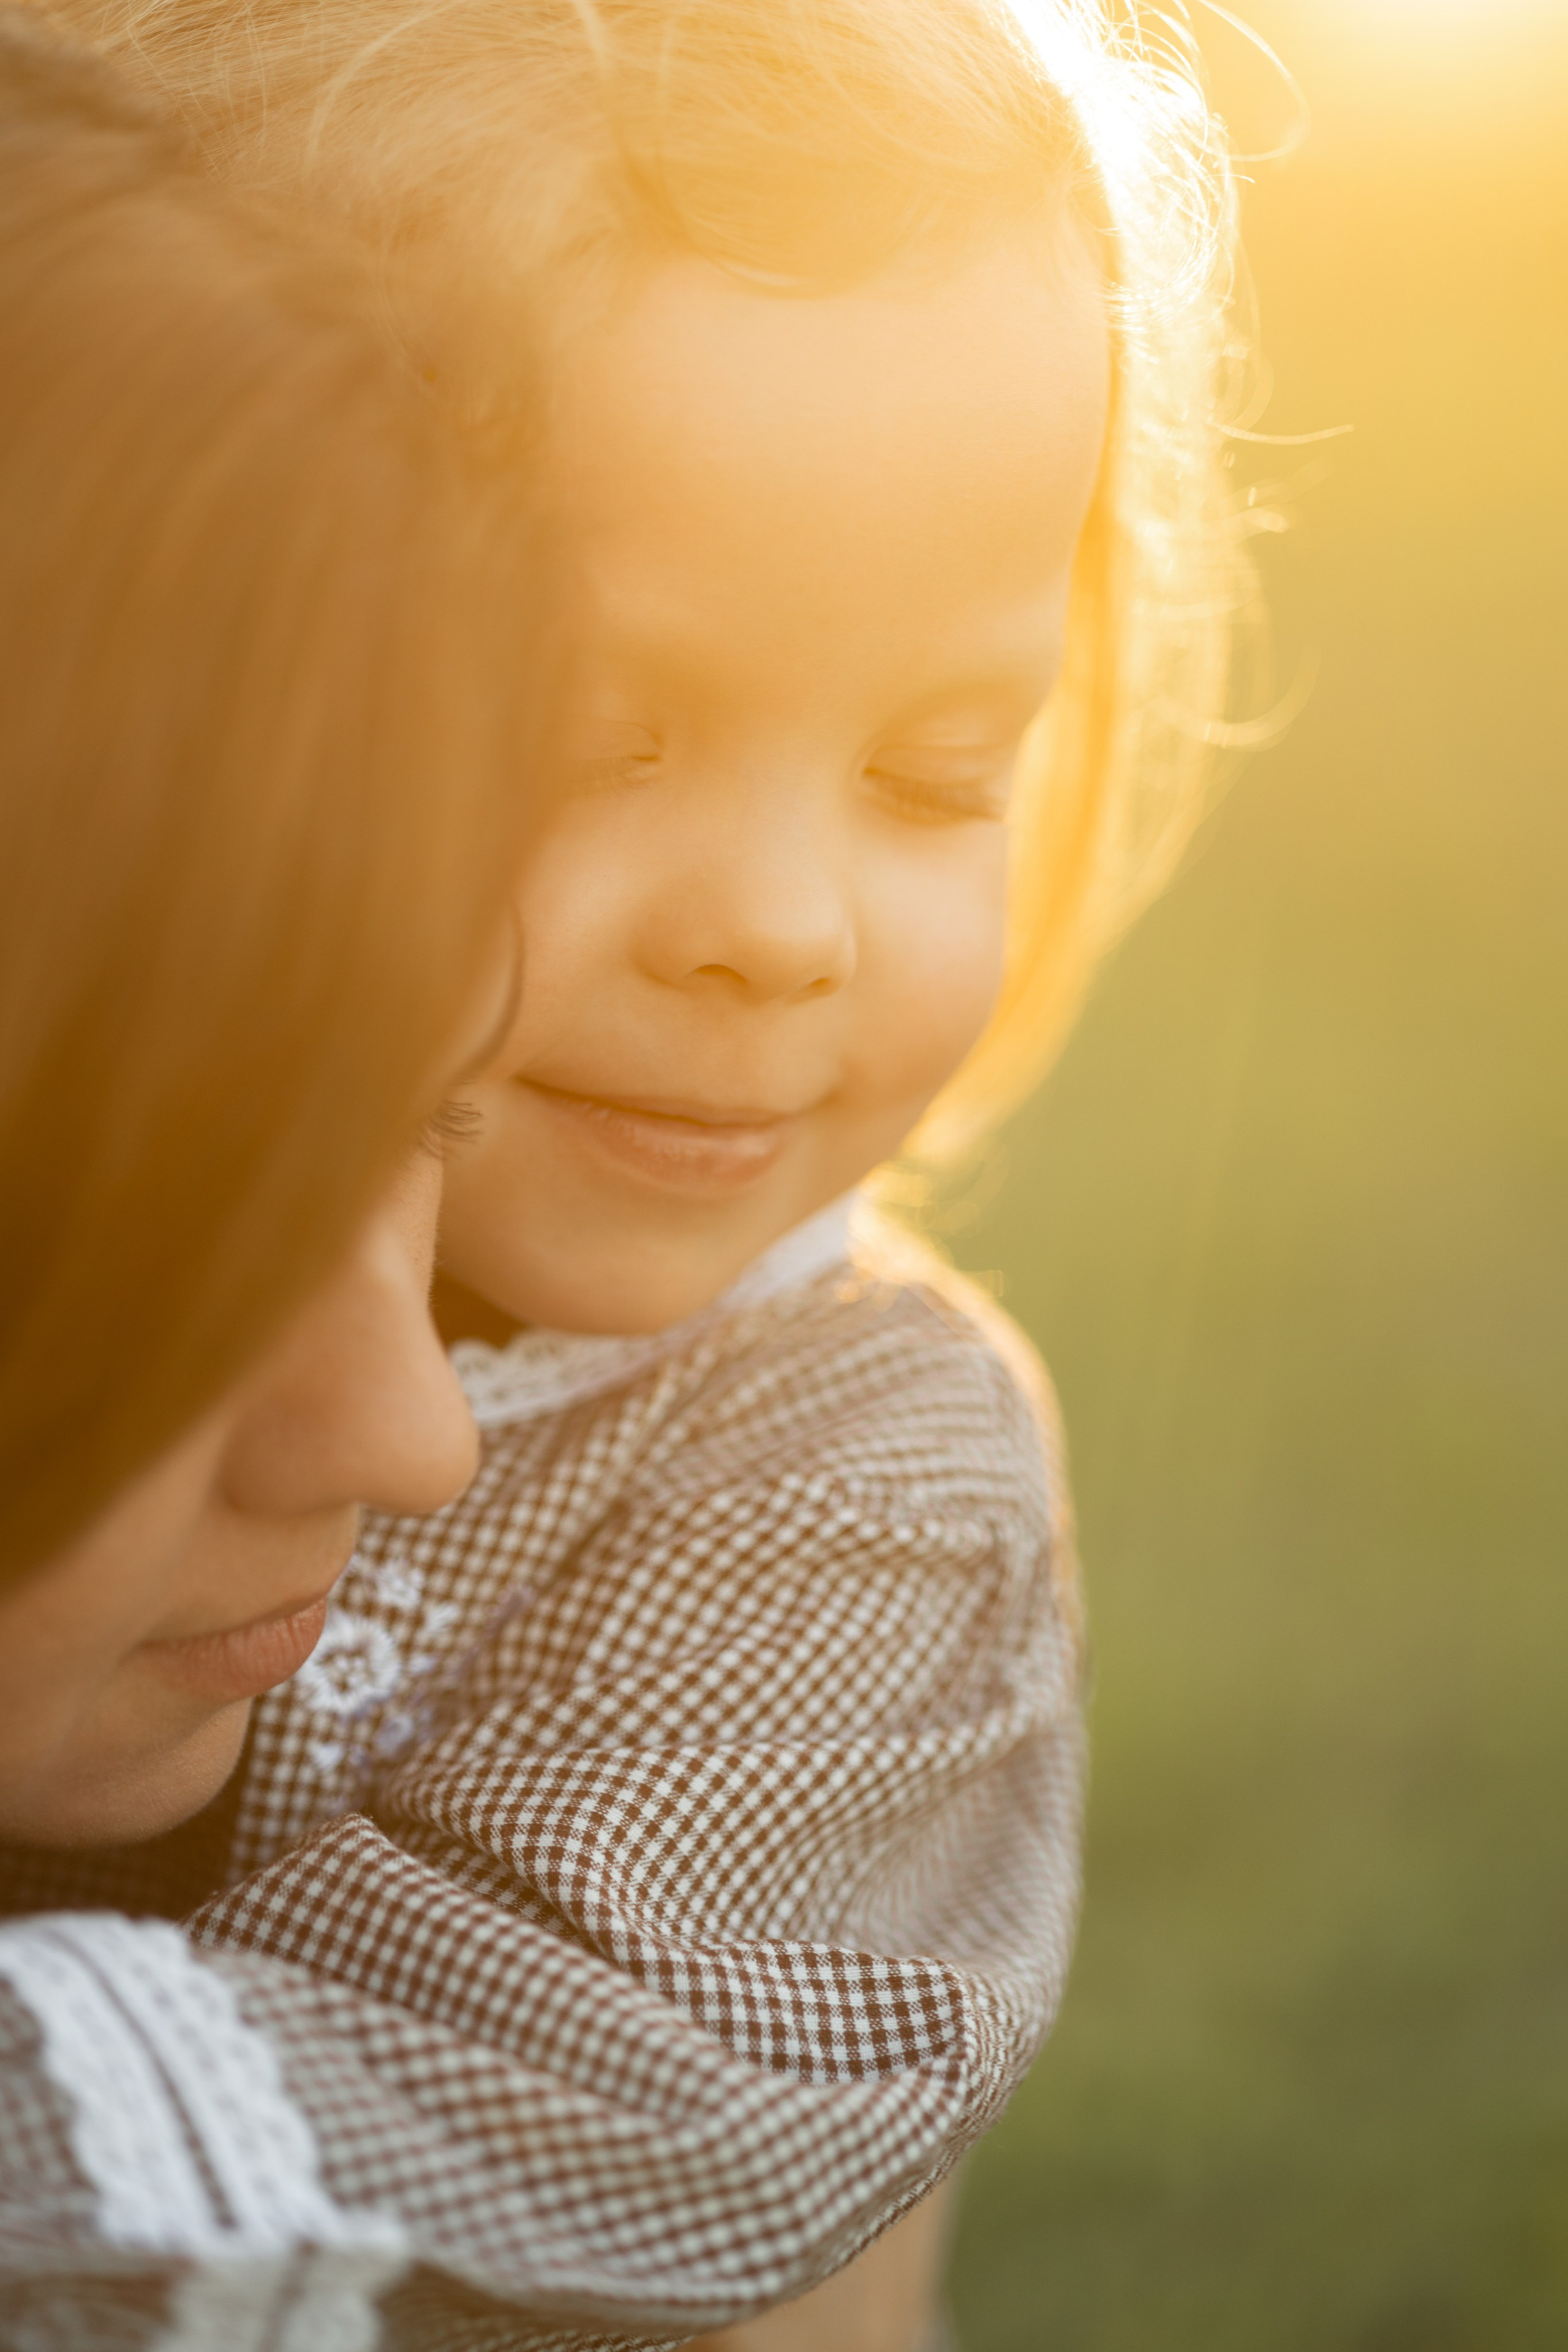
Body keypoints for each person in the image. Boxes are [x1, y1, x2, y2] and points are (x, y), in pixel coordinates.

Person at [23, 4, 1253, 2346]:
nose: (778, 926)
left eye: (934, 769)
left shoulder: (843, 1470)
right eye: (599, 734)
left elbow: (497, 2146)